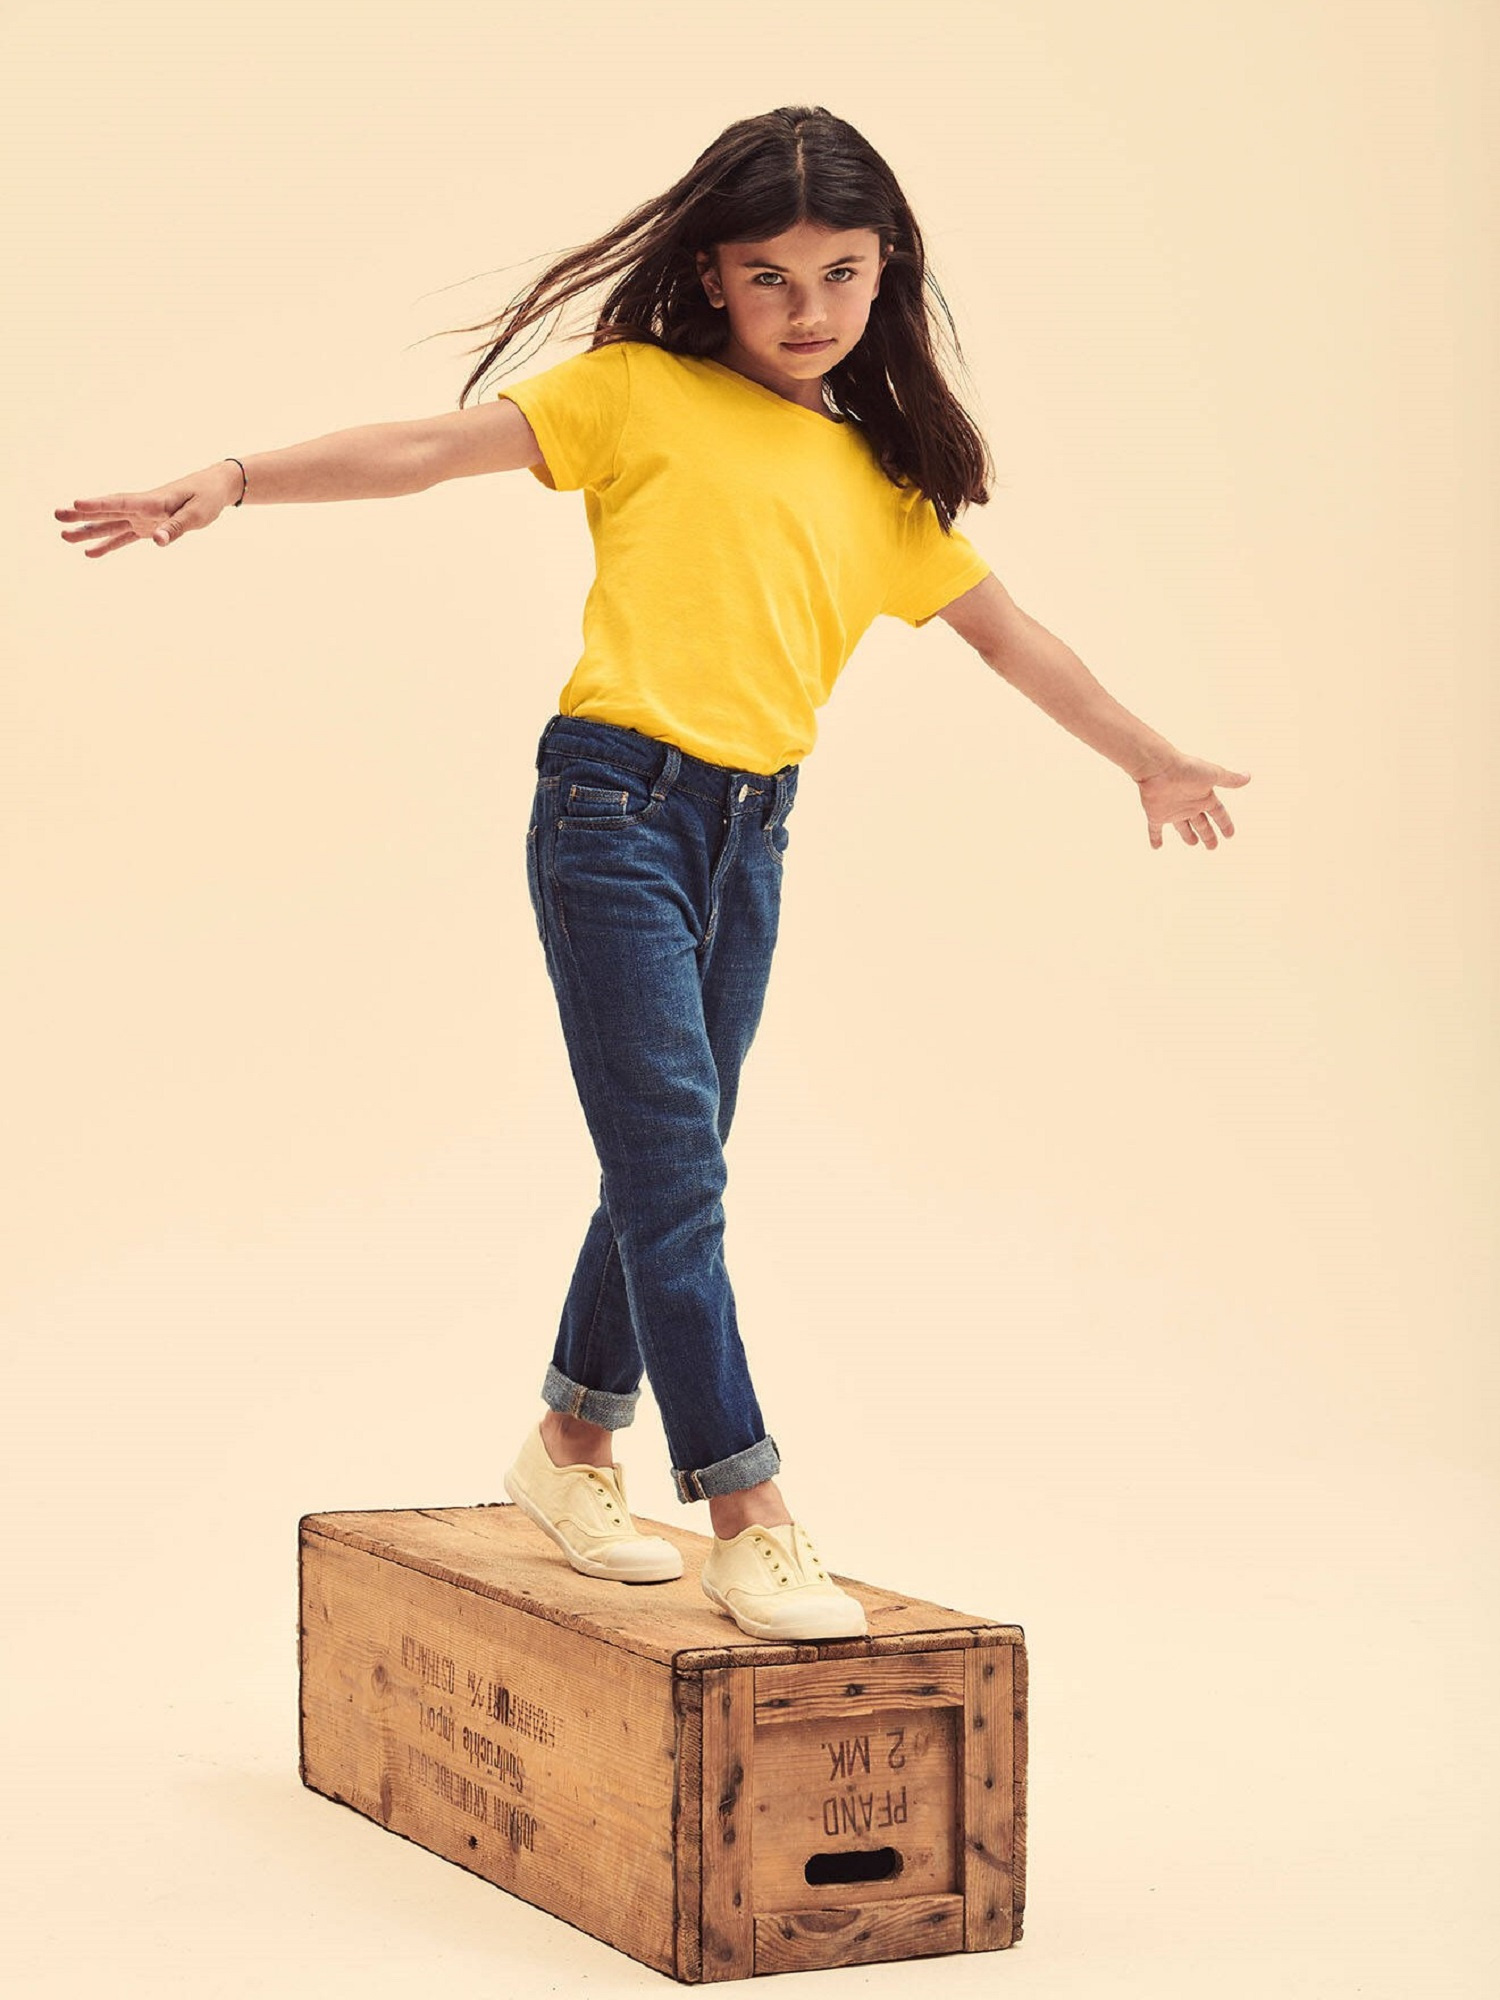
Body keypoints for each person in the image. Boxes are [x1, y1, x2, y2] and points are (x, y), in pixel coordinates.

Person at [53, 104, 1250, 1644]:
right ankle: (751, 1510)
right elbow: (427, 451)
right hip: (614, 811)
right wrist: (234, 475)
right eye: (769, 277)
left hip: (752, 838)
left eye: (841, 273)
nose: (807, 309)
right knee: (679, 1174)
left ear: (889, 272)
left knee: (669, 1163)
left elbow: (1016, 640)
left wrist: (1149, 756)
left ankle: (570, 1442)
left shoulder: (881, 482)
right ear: (713, 276)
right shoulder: (638, 392)